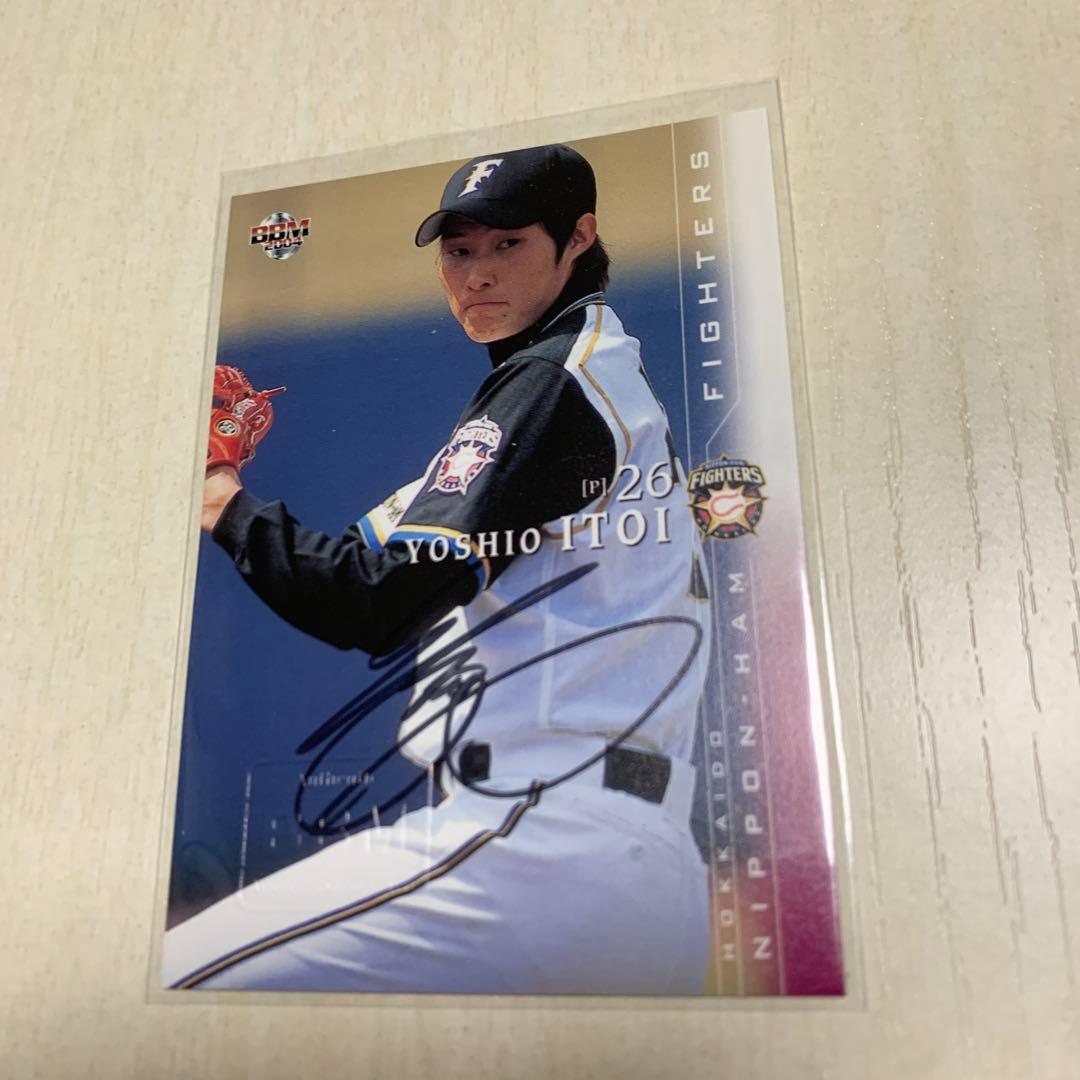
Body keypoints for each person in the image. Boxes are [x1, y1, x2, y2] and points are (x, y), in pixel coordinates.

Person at [164, 144, 713, 994]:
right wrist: (223, 498)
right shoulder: (588, 379)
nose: (477, 273)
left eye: (508, 245)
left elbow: (376, 604)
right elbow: (354, 569)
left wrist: (216, 492)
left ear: (579, 239)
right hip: (636, 868)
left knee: (171, 982)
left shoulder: (555, 383)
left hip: (538, 842)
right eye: (459, 250)